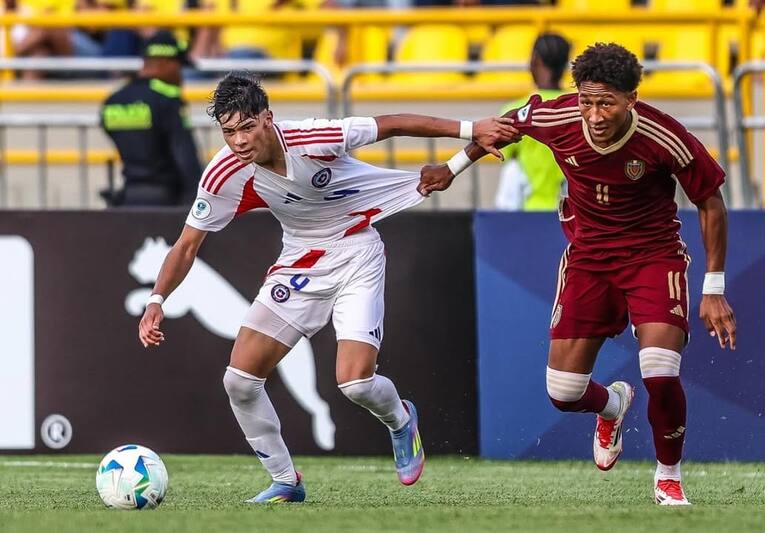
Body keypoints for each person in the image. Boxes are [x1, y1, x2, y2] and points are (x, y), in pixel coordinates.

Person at [137, 71, 518, 503]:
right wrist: (156, 299)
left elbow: (390, 123)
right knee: (239, 381)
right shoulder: (225, 173)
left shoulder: (315, 137)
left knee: (354, 384)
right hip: (299, 263)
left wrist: (472, 130)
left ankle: (400, 420)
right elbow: (187, 245)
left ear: (268, 119)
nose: (239, 141)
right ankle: (285, 480)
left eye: (246, 127)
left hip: (357, 251)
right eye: (228, 132)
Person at [419, 43, 737, 506]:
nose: (594, 113)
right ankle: (612, 405)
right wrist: (451, 167)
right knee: (563, 392)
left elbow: (710, 202)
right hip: (588, 258)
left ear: (632, 98)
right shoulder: (559, 117)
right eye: (587, 101)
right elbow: (505, 127)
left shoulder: (665, 136)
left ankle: (668, 476)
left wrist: (714, 287)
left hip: (653, 256)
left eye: (606, 102)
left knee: (659, 369)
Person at [100, 30, 203, 206]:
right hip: (169, 202)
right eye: (179, 67)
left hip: (129, 199)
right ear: (165, 62)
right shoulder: (168, 100)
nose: (180, 76)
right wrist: (198, 203)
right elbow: (185, 157)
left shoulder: (113, 101)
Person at [495, 32, 570, 211]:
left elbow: (507, 157)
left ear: (535, 60)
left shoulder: (515, 111)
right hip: (572, 212)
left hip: (528, 211)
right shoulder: (579, 107)